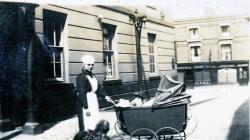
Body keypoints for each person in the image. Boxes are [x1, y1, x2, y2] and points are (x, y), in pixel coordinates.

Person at [76, 55, 112, 131]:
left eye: (92, 65)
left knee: (94, 119)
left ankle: (94, 135)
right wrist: (86, 108)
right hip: (86, 101)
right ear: (84, 64)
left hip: (93, 100)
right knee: (87, 120)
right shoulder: (81, 77)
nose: (91, 66)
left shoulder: (93, 76)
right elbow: (82, 93)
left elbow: (98, 89)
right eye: (88, 65)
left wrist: (105, 96)